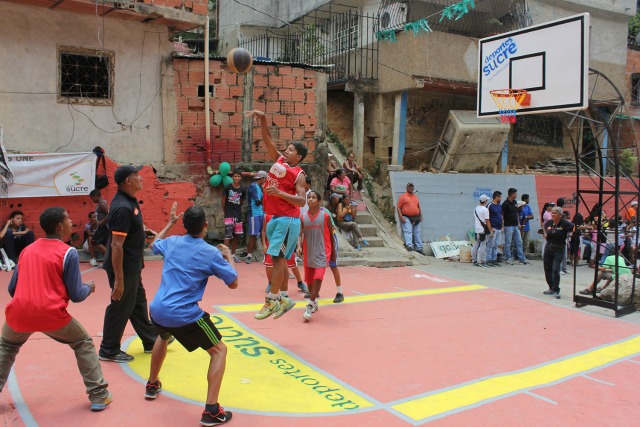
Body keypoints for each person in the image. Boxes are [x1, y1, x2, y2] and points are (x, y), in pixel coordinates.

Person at [0, 207, 112, 411]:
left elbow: (11, 289)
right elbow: (77, 295)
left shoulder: (27, 250)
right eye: (68, 219)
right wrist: (90, 287)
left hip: (19, 311)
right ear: (60, 226)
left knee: (6, 347)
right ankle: (98, 395)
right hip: (51, 314)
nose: (71, 222)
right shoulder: (67, 252)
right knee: (83, 342)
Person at [145, 204, 238, 426]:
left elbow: (153, 244)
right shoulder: (210, 252)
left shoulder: (173, 242)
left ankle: (151, 384)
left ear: (184, 226)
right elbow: (233, 282)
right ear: (205, 226)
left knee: (163, 336)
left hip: (158, 309)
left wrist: (169, 223)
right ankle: (212, 411)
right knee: (219, 350)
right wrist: (229, 256)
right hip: (183, 314)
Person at [245, 109, 307, 320]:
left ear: (298, 157)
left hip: (287, 220)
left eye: (290, 150)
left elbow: (302, 200)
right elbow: (267, 139)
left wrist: (279, 192)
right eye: (287, 149)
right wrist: (262, 118)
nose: (286, 151)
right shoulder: (279, 162)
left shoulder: (299, 175)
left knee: (278, 258)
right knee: (277, 259)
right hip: (273, 217)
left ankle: (272, 300)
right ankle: (283, 297)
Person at [99, 165, 159, 363]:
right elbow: (116, 246)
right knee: (121, 305)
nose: (141, 178)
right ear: (128, 181)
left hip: (132, 265)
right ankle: (108, 348)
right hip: (123, 267)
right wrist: (119, 280)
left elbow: (128, 230)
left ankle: (151, 340)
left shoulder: (130, 203)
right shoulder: (122, 207)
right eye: (137, 176)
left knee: (138, 302)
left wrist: (142, 231)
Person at [299, 191, 336, 321]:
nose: (310, 200)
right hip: (309, 252)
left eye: (314, 197)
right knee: (309, 281)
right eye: (309, 197)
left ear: (319, 202)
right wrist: (299, 246)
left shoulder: (325, 216)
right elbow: (300, 233)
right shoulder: (303, 217)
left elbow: (331, 235)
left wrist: (334, 254)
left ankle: (309, 305)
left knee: (318, 277)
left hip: (323, 252)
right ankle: (314, 301)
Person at [262, 214, 309, 298]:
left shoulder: (290, 216)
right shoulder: (268, 216)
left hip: (283, 241)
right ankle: (277, 289)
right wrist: (264, 244)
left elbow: (299, 233)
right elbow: (265, 230)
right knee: (273, 264)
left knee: (288, 263)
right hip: (273, 243)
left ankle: (299, 283)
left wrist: (298, 246)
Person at [542, 207, 574, 299]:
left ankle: (556, 289)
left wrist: (574, 232)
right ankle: (551, 287)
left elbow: (575, 227)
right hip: (549, 247)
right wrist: (545, 234)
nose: (552, 215)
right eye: (552, 213)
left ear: (560, 215)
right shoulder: (549, 223)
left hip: (559, 248)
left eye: (555, 213)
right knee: (547, 268)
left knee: (555, 269)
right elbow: (544, 228)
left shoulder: (565, 223)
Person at [222, 170, 246, 263]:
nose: (237, 178)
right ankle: (225, 256)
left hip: (238, 215)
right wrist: (226, 212)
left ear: (241, 178)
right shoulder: (227, 188)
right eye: (235, 176)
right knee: (228, 236)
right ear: (232, 177)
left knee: (236, 236)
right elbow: (223, 201)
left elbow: (241, 201)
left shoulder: (243, 189)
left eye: (238, 176)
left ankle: (233, 255)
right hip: (229, 215)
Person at [502, 188, 528, 265]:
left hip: (515, 225)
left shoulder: (515, 202)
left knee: (519, 242)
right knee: (508, 242)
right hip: (508, 226)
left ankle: (522, 258)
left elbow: (516, 213)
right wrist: (502, 225)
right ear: (511, 194)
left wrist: (518, 222)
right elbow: (502, 215)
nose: (516, 195)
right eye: (515, 194)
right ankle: (508, 258)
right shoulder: (505, 204)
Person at [246, 170, 267, 264]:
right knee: (253, 235)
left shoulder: (258, 187)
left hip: (261, 213)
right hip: (254, 214)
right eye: (265, 178)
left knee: (262, 233)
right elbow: (258, 201)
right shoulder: (253, 186)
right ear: (262, 178)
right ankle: (249, 256)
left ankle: (264, 255)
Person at [397, 182, 424, 254]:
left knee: (417, 232)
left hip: (416, 217)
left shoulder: (415, 196)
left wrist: (421, 216)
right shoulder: (403, 196)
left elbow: (418, 207)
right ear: (406, 188)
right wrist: (401, 217)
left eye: (412, 187)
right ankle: (409, 245)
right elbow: (398, 208)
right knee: (408, 231)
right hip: (406, 216)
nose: (411, 188)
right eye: (409, 186)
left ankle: (419, 248)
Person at [89, 189, 110, 267]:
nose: (92, 200)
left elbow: (109, 214)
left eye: (92, 198)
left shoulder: (102, 204)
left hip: (104, 227)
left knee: (95, 241)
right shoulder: (99, 204)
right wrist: (95, 224)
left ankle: (108, 260)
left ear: (95, 196)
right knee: (100, 243)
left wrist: (100, 222)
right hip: (102, 226)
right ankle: (107, 261)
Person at [472, 195, 492, 268]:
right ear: (485, 201)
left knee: (475, 245)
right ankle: (483, 262)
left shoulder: (475, 209)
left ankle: (474, 260)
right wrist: (490, 231)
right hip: (483, 231)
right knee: (483, 247)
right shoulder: (485, 210)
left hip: (477, 230)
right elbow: (487, 221)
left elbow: (475, 219)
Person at [486, 191, 503, 266]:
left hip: (499, 228)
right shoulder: (490, 205)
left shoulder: (499, 205)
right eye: (500, 197)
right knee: (490, 244)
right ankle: (488, 259)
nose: (501, 198)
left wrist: (502, 226)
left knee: (496, 244)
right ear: (497, 197)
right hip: (493, 228)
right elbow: (486, 217)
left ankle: (494, 259)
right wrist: (490, 229)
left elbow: (501, 216)